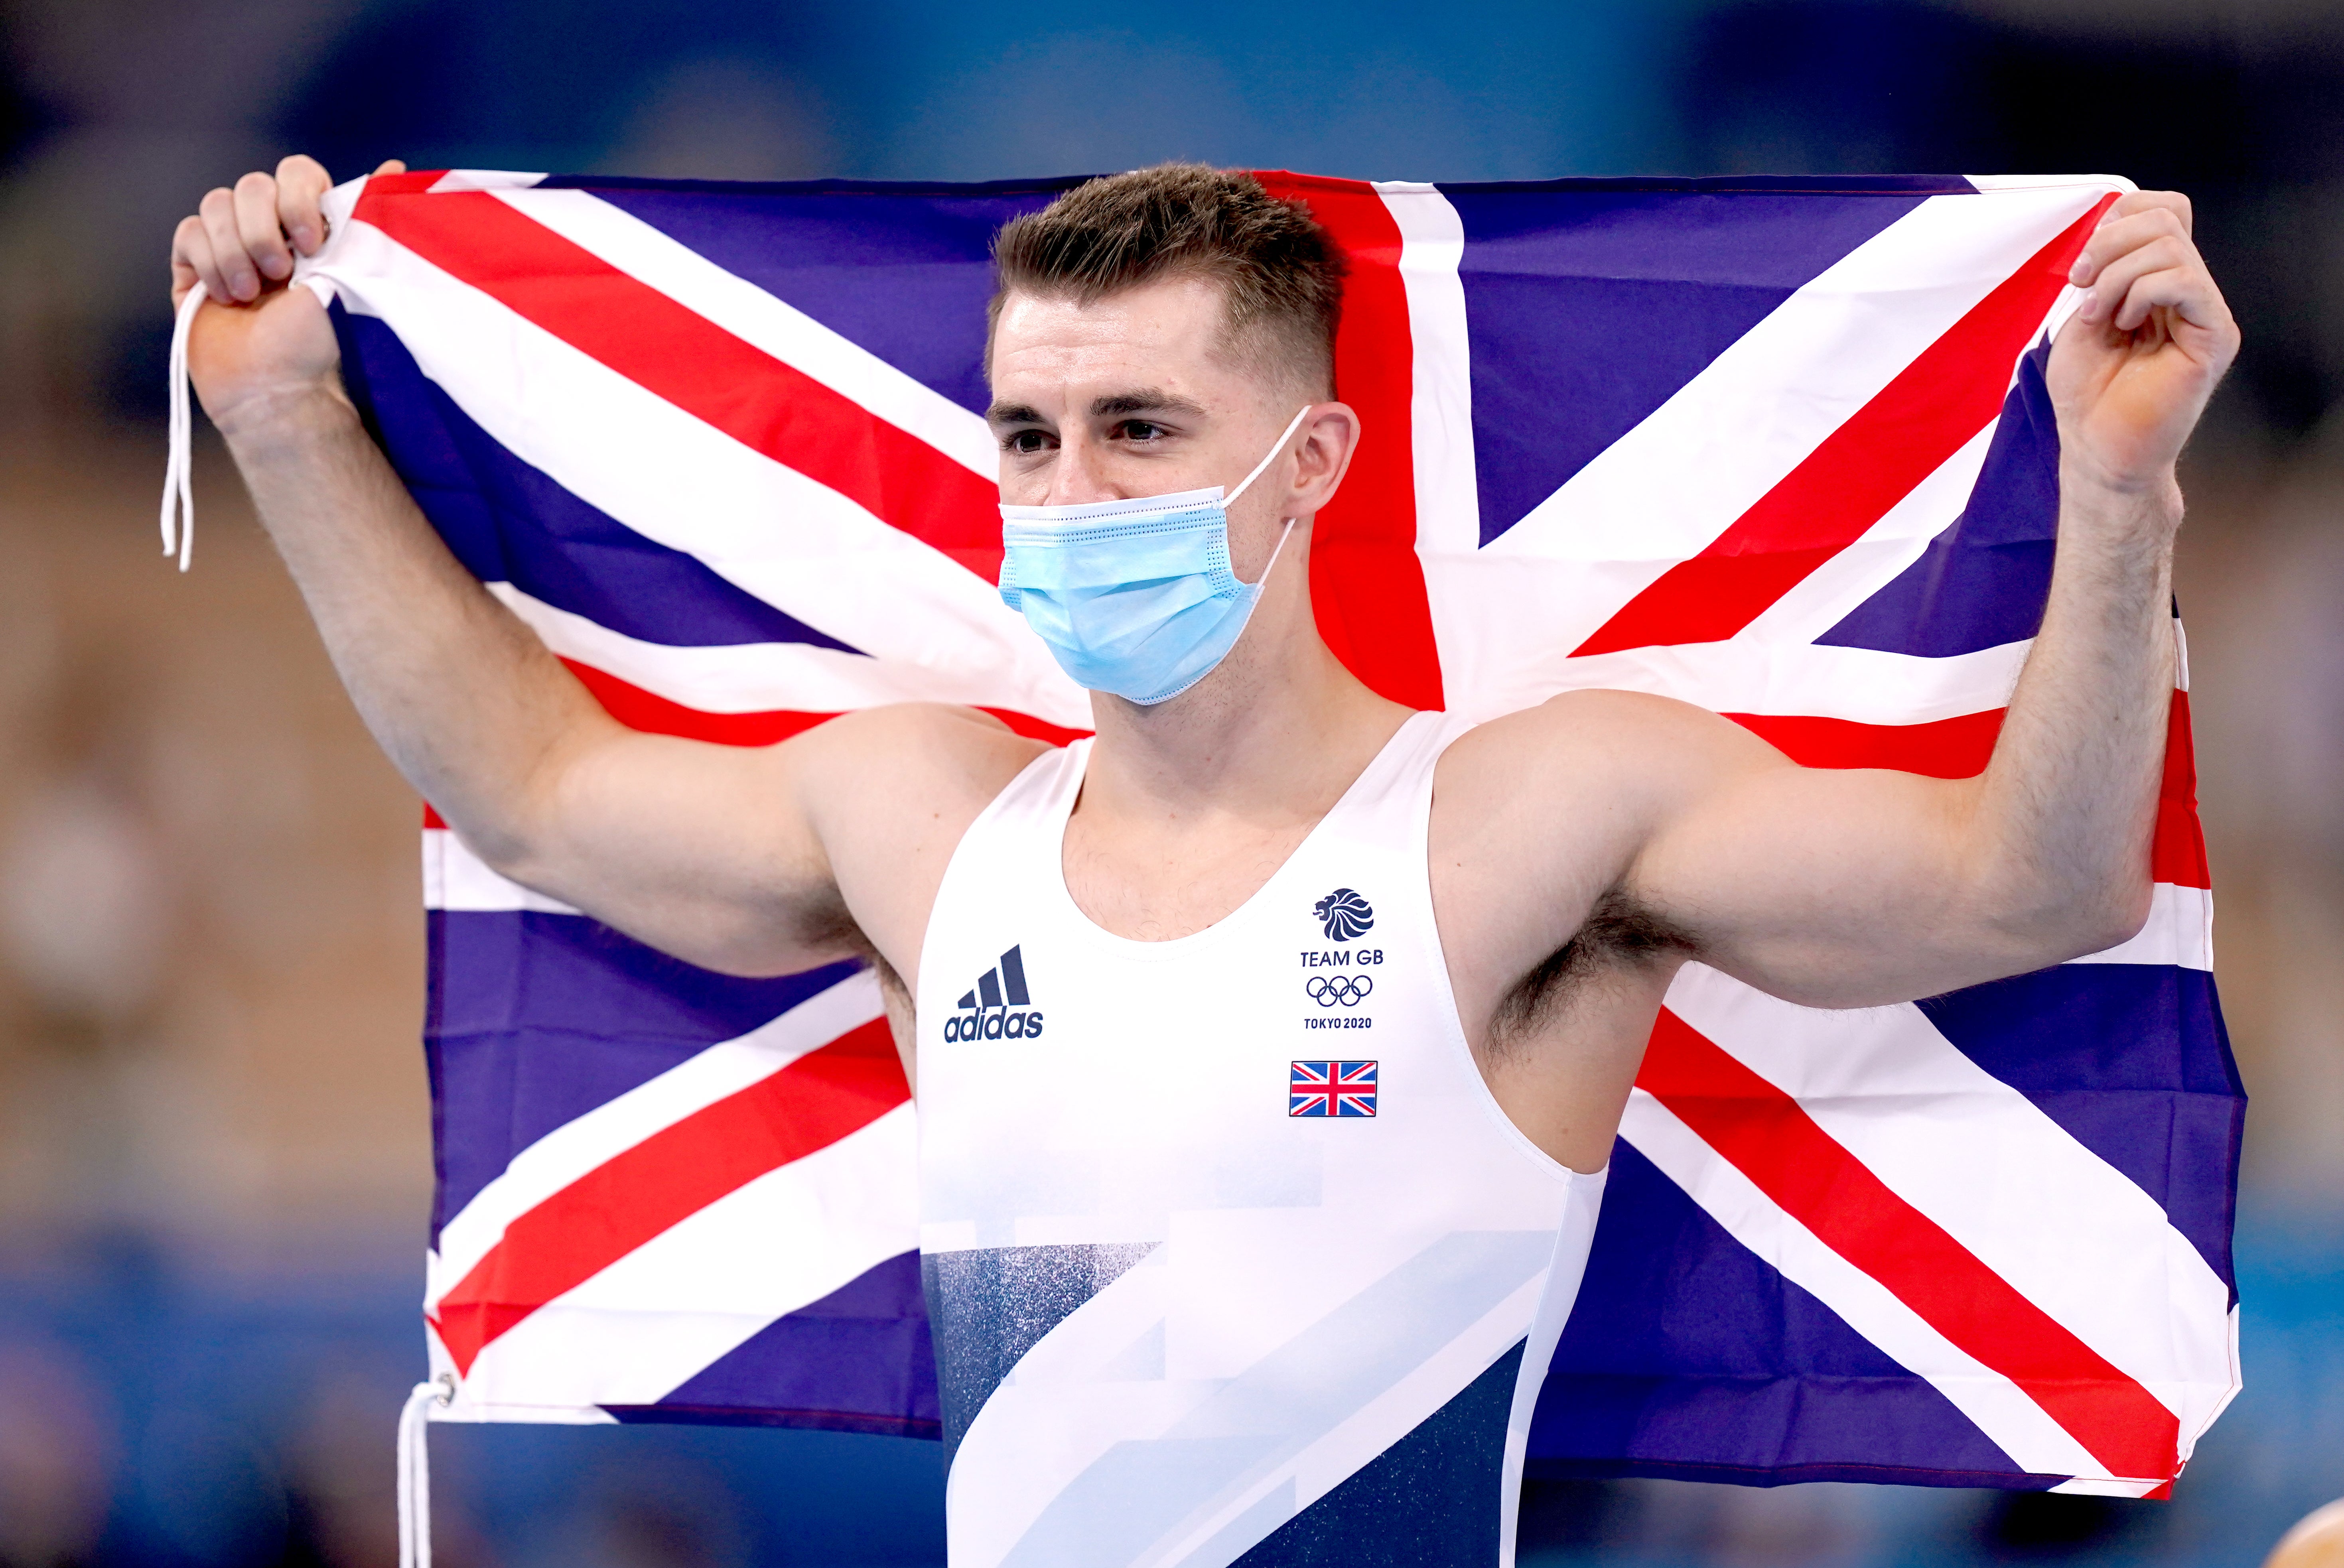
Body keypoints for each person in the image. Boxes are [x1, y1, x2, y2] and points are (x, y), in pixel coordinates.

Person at [170, 158, 2238, 1567]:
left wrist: (2115, 489)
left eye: (1142, 430)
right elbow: (530, 788)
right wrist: (280, 421)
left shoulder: (1523, 826)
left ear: (1310, 461)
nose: (1070, 493)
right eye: (1031, 436)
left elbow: (2027, 888)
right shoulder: (922, 828)